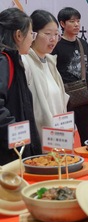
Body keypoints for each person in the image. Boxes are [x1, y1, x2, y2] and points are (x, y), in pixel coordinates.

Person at [52, 7, 88, 146]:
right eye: (72, 21)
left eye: (78, 21)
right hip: (65, 100)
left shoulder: (83, 43)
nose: (77, 24)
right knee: (65, 140)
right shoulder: (56, 46)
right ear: (62, 24)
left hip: (84, 98)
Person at [0, 8, 42, 165]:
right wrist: (17, 135)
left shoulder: (10, 59)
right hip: (8, 154)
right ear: (18, 35)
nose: (32, 39)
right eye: (32, 34)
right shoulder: (4, 61)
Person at [22, 10, 69, 140]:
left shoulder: (50, 62)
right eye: (48, 34)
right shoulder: (25, 62)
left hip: (58, 136)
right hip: (39, 138)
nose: (53, 39)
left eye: (56, 34)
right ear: (33, 34)